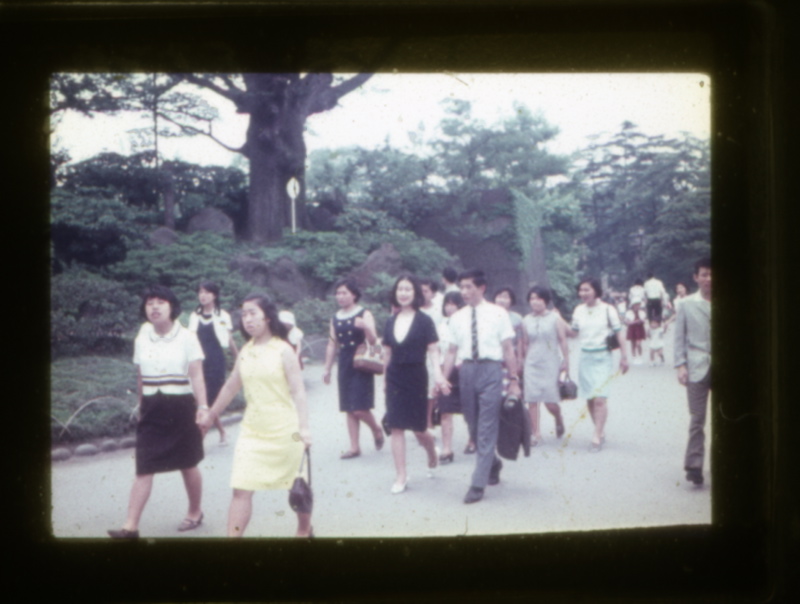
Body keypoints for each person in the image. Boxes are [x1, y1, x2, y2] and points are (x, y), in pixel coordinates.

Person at [198, 293, 312, 537]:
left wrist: (304, 429)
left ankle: (304, 530)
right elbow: (231, 386)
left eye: (253, 313)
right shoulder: (246, 351)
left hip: (285, 430)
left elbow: (298, 391)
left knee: (296, 485)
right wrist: (210, 415)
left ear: (267, 317)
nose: (247, 319)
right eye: (244, 314)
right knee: (241, 488)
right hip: (252, 430)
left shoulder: (284, 350)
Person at [108, 285, 207, 539]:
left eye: (160, 302)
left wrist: (203, 407)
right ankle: (130, 527)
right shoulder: (142, 335)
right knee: (144, 465)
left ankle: (195, 511)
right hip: (152, 407)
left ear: (172, 307)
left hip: (181, 406)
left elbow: (197, 375)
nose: (154, 307)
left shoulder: (187, 337)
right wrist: (141, 406)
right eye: (150, 302)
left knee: (188, 463)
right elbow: (140, 375)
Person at [442, 269, 521, 504]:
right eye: (462, 287)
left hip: (491, 370)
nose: (464, 291)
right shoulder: (457, 318)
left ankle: (478, 483)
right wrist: (443, 379)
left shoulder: (498, 314)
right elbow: (451, 351)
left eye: (469, 287)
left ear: (482, 288)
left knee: (487, 425)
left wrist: (514, 380)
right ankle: (493, 463)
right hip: (466, 371)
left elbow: (508, 349)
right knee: (473, 425)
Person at [382, 275, 448, 494]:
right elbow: (387, 354)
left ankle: (431, 452)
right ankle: (401, 475)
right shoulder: (390, 321)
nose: (403, 293)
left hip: (416, 376)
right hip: (395, 377)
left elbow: (433, 351)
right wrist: (384, 379)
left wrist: (438, 375)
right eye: (400, 289)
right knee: (396, 426)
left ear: (415, 293)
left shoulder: (424, 321)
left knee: (419, 429)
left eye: (408, 289)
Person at [323, 278, 384, 459]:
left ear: (354, 295)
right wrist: (327, 368)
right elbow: (332, 343)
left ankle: (376, 428)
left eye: (344, 293)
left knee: (359, 408)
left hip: (361, 362)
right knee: (349, 407)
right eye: (338, 293)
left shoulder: (364, 313)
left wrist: (366, 327)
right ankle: (354, 447)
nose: (340, 296)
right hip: (344, 363)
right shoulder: (335, 318)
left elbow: (373, 340)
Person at [566, 278, 629, 452]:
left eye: (587, 290)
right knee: (590, 398)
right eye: (581, 290)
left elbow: (619, 333)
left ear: (596, 291)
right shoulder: (579, 310)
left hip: (603, 357)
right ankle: (599, 430)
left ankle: (596, 435)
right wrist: (558, 320)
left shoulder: (608, 309)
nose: (583, 293)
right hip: (585, 357)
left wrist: (624, 357)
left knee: (600, 398)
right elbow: (573, 332)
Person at [674, 258, 712, 486]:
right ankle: (694, 466)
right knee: (697, 418)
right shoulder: (687, 304)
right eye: (705, 274)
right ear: (696, 277)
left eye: (713, 274)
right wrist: (681, 365)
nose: (709, 279)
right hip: (697, 365)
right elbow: (679, 337)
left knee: (727, 417)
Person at [187, 281, 239, 446]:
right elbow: (189, 341)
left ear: (214, 295)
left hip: (215, 360)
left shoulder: (223, 316)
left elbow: (229, 339)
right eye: (200, 292)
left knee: (211, 398)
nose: (203, 295)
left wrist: (238, 358)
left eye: (207, 292)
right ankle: (221, 432)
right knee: (200, 399)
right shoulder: (194, 316)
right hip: (198, 361)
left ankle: (199, 439)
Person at [519, 286, 569, 446]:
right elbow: (525, 342)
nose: (535, 302)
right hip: (532, 363)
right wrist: (522, 361)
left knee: (550, 401)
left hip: (550, 362)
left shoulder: (555, 318)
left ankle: (558, 417)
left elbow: (562, 340)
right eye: (532, 298)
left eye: (539, 298)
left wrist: (566, 360)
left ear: (546, 301)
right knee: (532, 400)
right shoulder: (526, 320)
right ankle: (536, 433)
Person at [436, 291, 475, 461]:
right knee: (445, 410)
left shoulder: (467, 323)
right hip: (446, 371)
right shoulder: (441, 326)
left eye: (453, 304)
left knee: (469, 410)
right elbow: (437, 351)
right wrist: (439, 374)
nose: (450, 307)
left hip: (464, 370)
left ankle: (472, 439)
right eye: (447, 304)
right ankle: (447, 449)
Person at [420, 278, 444, 427]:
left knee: (430, 388)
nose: (422, 294)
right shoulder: (413, 309)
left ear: (433, 294)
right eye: (420, 291)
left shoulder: (438, 311)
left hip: (432, 352)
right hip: (415, 352)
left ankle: (428, 420)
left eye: (426, 291)